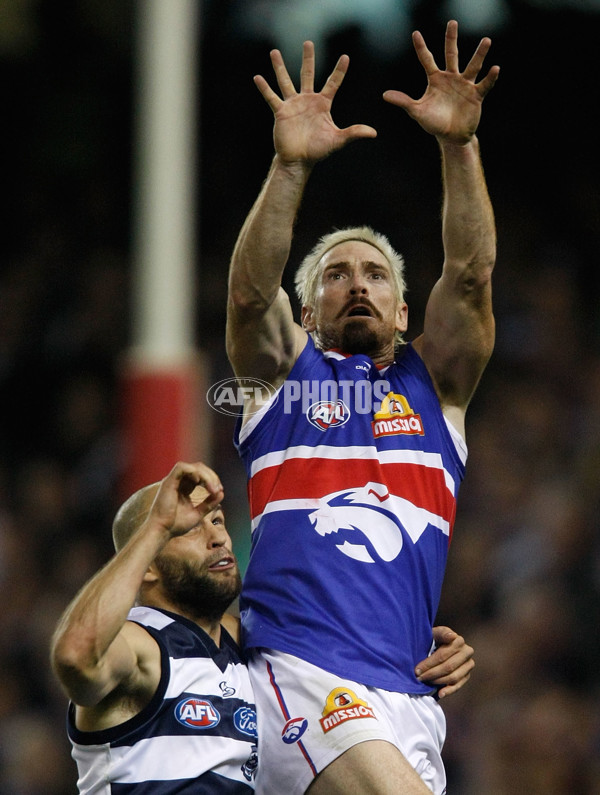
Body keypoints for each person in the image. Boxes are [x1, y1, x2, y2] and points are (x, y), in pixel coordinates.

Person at [226, 20, 499, 795]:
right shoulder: (284, 378)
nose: (357, 283)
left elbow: (473, 276)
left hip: (412, 696)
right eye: (336, 274)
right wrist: (288, 166)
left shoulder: (438, 390)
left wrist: (459, 146)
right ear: (308, 314)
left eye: (376, 274)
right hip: (303, 673)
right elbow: (249, 296)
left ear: (406, 311)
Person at [50, 460, 475, 793]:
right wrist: (157, 525)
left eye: (216, 521)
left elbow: (344, 631)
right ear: (146, 566)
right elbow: (76, 656)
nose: (217, 537)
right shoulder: (141, 645)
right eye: (187, 529)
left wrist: (426, 646)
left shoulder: (249, 642)